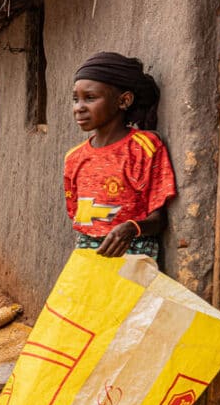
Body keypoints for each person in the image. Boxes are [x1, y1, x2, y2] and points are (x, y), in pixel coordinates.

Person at [65, 52, 175, 260]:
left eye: (90, 98)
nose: (79, 108)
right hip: (86, 252)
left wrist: (131, 228)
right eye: (75, 99)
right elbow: (76, 215)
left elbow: (159, 219)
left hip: (133, 254)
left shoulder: (144, 148)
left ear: (124, 101)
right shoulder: (74, 158)